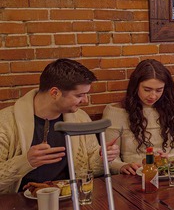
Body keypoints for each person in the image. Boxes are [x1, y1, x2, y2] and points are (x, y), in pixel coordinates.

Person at [0, 59, 119, 194]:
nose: (85, 100)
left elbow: (89, 169)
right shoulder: (5, 123)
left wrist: (101, 157)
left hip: (70, 200)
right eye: (79, 95)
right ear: (55, 93)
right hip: (18, 205)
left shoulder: (80, 118)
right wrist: (26, 161)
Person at [103, 59, 174, 175]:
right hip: (134, 175)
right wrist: (121, 166)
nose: (153, 96)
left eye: (159, 90)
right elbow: (109, 156)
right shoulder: (116, 112)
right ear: (135, 86)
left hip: (167, 170)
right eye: (147, 90)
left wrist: (170, 157)